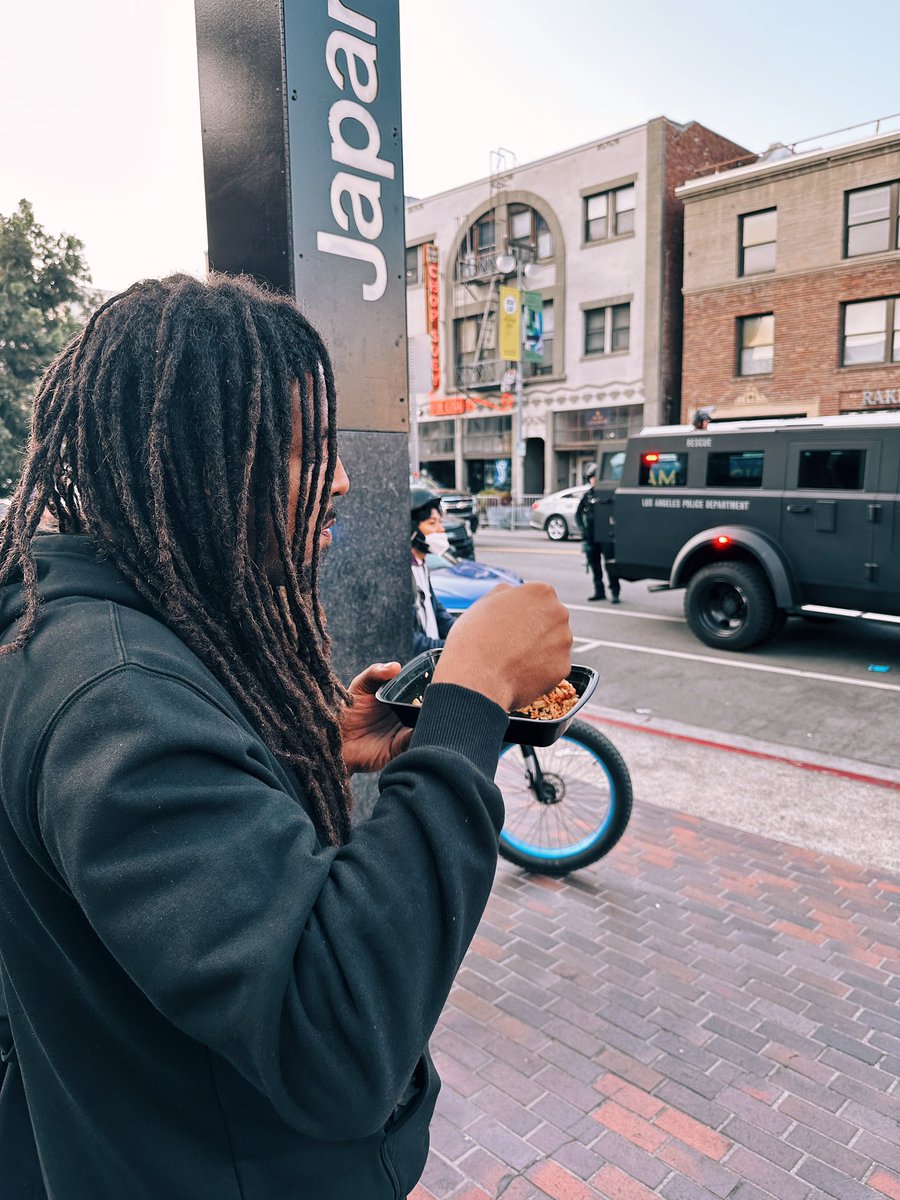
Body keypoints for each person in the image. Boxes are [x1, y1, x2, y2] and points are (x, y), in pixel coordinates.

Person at [0, 273, 571, 1200]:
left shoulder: (75, 628)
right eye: (306, 451)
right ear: (192, 462)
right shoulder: (114, 695)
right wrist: (473, 692)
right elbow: (335, 1038)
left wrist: (294, 738)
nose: (343, 478)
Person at [410, 487, 456, 656]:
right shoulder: (402, 574)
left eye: (440, 522)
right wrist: (448, 648)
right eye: (432, 523)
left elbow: (436, 611)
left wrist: (462, 634)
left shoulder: (421, 565)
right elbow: (411, 641)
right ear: (413, 528)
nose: (440, 529)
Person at [575, 463, 620, 604]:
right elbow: (578, 514)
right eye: (591, 477)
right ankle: (599, 591)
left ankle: (615, 592)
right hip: (591, 536)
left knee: (610, 565)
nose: (593, 479)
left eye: (595, 477)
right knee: (595, 564)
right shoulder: (587, 495)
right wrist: (583, 529)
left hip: (606, 536)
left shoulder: (610, 494)